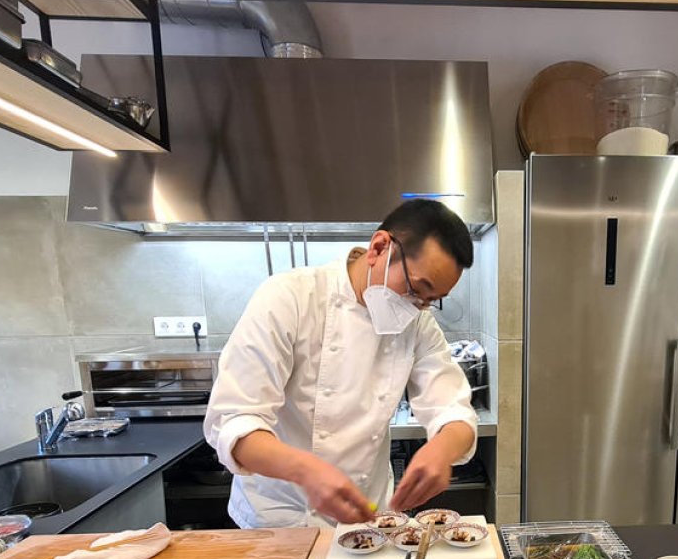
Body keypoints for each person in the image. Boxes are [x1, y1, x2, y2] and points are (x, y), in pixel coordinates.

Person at [204, 199, 479, 529]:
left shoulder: (417, 323)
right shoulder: (290, 297)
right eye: (416, 288)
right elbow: (235, 421)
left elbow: (454, 412)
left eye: (430, 301)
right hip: (276, 522)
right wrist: (306, 470)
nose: (417, 306)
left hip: (366, 520)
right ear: (379, 247)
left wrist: (442, 451)